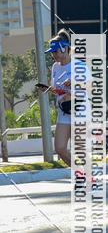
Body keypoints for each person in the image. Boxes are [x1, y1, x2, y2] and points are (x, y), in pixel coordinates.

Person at [40, 29, 74, 166]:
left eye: (55, 52)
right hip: (64, 111)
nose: (53, 55)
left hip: (79, 111)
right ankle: (82, 174)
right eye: (52, 52)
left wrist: (75, 82)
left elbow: (92, 86)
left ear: (65, 48)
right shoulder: (55, 67)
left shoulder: (78, 65)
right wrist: (49, 89)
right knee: (60, 148)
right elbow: (60, 90)